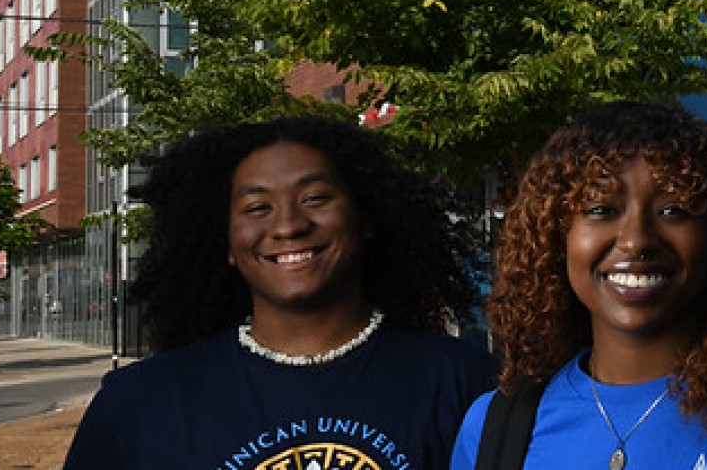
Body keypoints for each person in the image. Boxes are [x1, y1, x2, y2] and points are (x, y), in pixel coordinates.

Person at [450, 101, 707, 469]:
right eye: (601, 210)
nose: (636, 240)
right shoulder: (495, 429)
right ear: (555, 239)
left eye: (674, 210)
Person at [63, 117, 497, 469]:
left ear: (366, 218)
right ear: (227, 241)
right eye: (257, 208)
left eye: (315, 198)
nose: (288, 225)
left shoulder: (468, 384)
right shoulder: (139, 403)